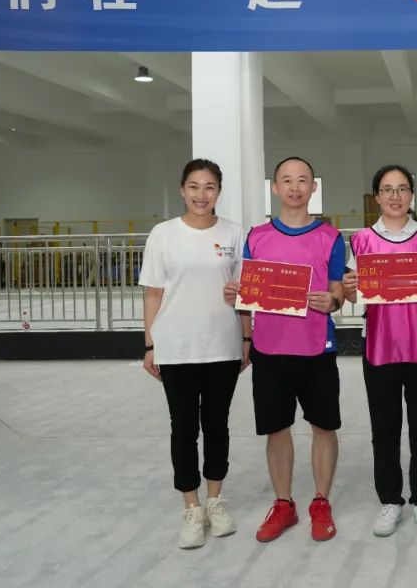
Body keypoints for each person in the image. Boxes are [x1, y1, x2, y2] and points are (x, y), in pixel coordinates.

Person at [223, 157, 346, 543]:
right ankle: (283, 503)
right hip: (270, 349)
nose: (295, 187)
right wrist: (239, 309)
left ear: (313, 187)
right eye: (287, 181)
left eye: (303, 180)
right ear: (275, 188)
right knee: (276, 429)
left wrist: (333, 300)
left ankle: (321, 501)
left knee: (324, 426)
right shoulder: (257, 237)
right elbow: (247, 293)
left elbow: (338, 290)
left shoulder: (331, 237)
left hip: (316, 348)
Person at [140, 158, 248, 550]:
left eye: (210, 187)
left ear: (219, 191)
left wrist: (246, 339)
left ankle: (215, 500)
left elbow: (245, 292)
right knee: (183, 428)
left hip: (222, 344)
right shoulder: (163, 234)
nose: (202, 195)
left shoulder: (234, 233)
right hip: (176, 346)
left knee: (217, 425)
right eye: (194, 186)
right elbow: (153, 292)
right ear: (183, 189)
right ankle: (191, 506)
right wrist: (150, 344)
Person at [342, 165, 417, 539]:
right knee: (384, 428)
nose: (395, 196)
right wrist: (350, 288)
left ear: (411, 195)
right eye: (387, 189)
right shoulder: (361, 241)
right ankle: (390, 499)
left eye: (402, 188)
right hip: (378, 345)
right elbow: (354, 295)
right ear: (377, 197)